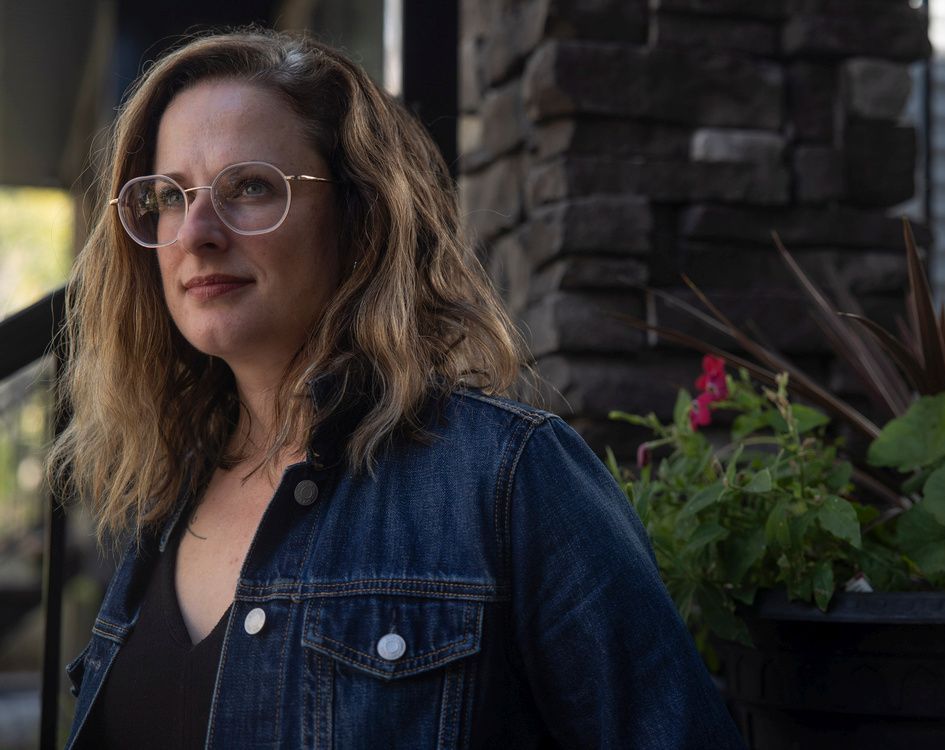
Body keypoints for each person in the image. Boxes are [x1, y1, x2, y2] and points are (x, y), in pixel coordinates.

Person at [49, 27, 746, 749]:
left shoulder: (509, 481)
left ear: (359, 216)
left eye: (250, 187)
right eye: (169, 195)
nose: (196, 232)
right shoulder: (161, 505)